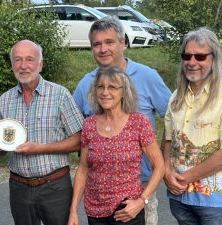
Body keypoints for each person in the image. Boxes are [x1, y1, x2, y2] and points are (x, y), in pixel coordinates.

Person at [73, 16, 172, 225]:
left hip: (141, 184)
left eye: (109, 42)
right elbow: (77, 134)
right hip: (98, 196)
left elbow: (173, 120)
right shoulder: (85, 84)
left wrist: (167, 163)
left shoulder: (147, 76)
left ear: (123, 43)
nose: (103, 49)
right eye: (97, 44)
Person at [0, 40, 84, 225]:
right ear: (12, 64)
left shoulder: (60, 95)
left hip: (54, 186)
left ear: (40, 64)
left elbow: (79, 140)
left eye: (29, 60)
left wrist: (40, 148)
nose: (23, 66)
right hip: (19, 187)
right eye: (18, 60)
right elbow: (3, 147)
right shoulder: (5, 100)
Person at [163, 27, 222, 225]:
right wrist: (166, 172)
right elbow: (168, 140)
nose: (192, 62)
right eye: (187, 56)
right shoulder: (176, 96)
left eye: (200, 57)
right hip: (178, 197)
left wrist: (184, 179)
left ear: (214, 59)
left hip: (212, 200)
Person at [68, 66, 165, 225]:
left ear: (124, 92)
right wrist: (73, 211)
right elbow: (83, 168)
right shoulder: (89, 125)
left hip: (127, 211)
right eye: (101, 87)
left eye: (112, 87)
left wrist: (141, 201)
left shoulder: (138, 122)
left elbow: (159, 166)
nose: (105, 92)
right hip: (95, 211)